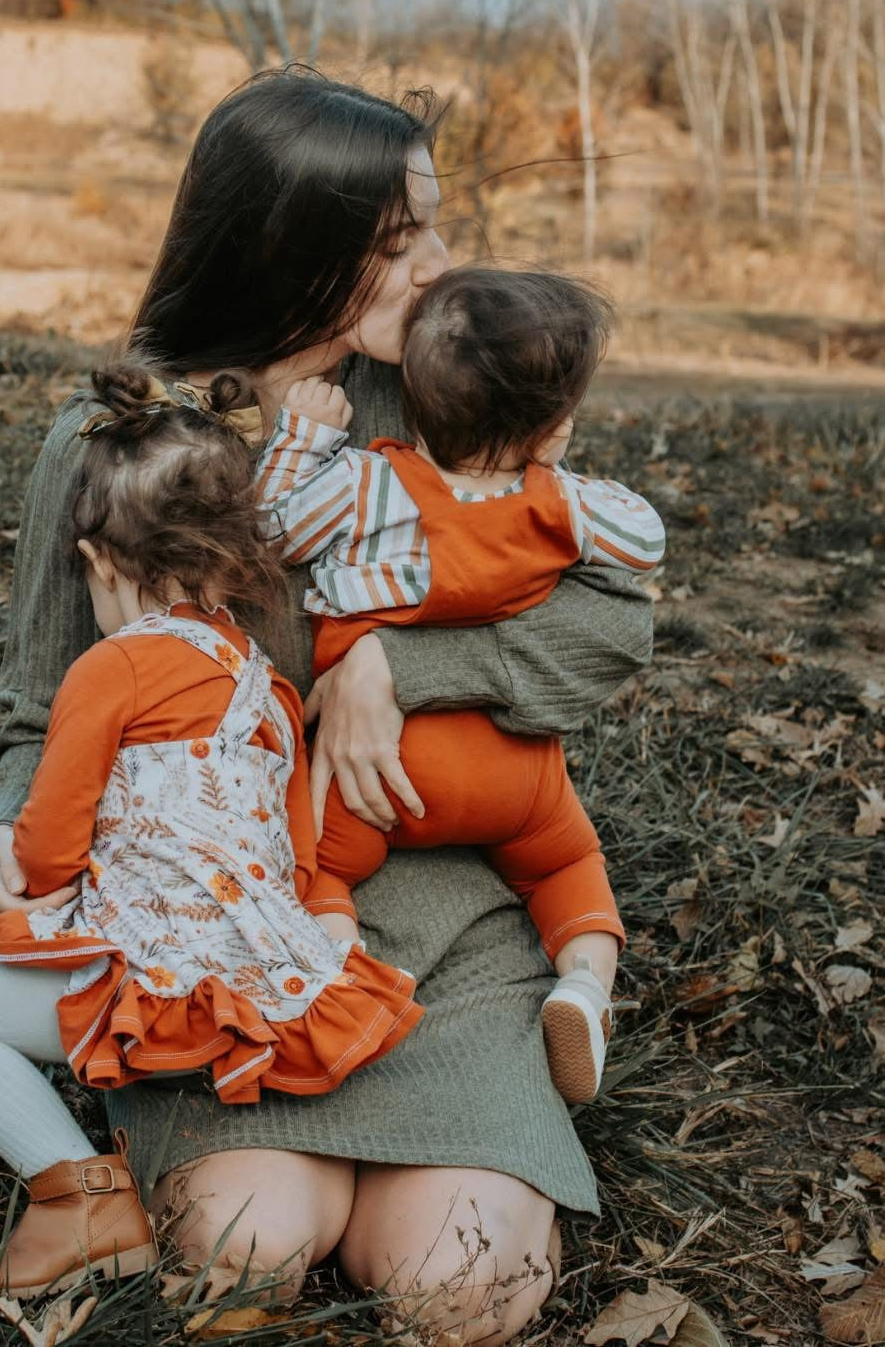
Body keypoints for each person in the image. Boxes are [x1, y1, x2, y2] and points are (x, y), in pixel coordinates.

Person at [0, 70, 653, 1345]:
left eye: (435, 225)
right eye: (399, 240)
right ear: (290, 249)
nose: (440, 264)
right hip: (223, 929)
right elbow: (35, 716)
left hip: (443, 913)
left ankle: (454, 1121)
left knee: (465, 1287)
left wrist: (394, 668)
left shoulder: (442, 388)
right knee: (241, 1255)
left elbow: (611, 623)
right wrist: (11, 823)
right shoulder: (113, 440)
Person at [0, 362, 421, 1298]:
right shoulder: (266, 684)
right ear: (232, 560)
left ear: (98, 562)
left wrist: (18, 861)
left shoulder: (112, 667)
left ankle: (81, 1197)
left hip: (152, 982)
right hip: (244, 981)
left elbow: (53, 846)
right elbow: (296, 853)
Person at [255, 265, 667, 1105]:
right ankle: (584, 985)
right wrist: (556, 472)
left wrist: (301, 438)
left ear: (413, 407)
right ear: (550, 427)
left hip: (378, 769)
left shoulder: (368, 486)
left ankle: (339, 975)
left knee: (316, 871)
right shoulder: (560, 505)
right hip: (515, 768)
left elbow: (273, 528)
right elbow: (645, 538)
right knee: (570, 862)